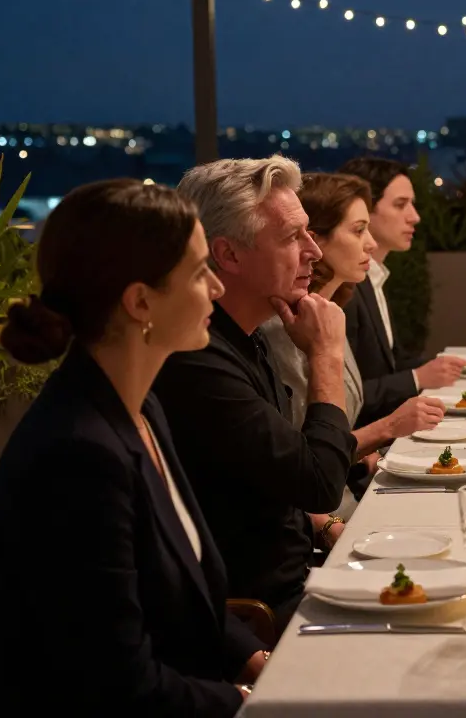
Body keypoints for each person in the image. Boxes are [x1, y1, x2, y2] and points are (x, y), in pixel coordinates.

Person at [0, 180, 267, 715]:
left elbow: (191, 592)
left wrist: (257, 660)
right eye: (201, 272)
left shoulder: (141, 409)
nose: (217, 289)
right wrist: (246, 701)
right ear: (140, 301)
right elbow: (116, 686)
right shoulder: (76, 456)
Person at [153, 156, 357, 634]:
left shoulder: (249, 334)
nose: (314, 251)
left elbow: (269, 483)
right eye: (292, 237)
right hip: (261, 617)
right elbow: (320, 482)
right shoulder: (197, 363)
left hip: (297, 585)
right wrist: (326, 354)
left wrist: (324, 527)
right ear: (229, 255)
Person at [259, 172, 445, 517]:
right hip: (327, 518)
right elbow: (298, 461)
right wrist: (386, 429)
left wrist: (367, 458)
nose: (371, 244)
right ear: (316, 242)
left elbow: (333, 442)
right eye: (359, 230)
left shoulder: (331, 315)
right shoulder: (279, 332)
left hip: (345, 499)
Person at [338, 156, 464, 427]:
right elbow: (345, 396)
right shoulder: (344, 289)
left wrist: (441, 366)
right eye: (400, 204)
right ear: (364, 210)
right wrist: (419, 377)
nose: (415, 217)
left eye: (412, 204)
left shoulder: (375, 278)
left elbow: (391, 363)